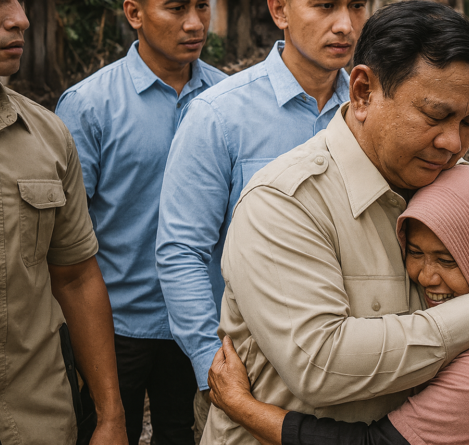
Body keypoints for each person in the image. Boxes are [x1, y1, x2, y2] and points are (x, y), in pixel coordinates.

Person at [202, 3, 469, 444]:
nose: (453, 142)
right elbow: (320, 366)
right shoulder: (285, 203)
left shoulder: (460, 184)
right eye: (435, 117)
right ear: (362, 92)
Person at [207, 165, 469, 445]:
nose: (426, 276)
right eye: (413, 253)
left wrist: (243, 408)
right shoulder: (283, 201)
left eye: (447, 259)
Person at [154, 0, 365, 429]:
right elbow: (182, 251)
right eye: (325, 6)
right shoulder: (219, 116)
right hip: (251, 376)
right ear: (280, 10)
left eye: (358, 5)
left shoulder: (375, 110)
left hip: (359, 368)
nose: (345, 24)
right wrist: (210, 365)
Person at [54, 0, 226, 443]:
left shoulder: (227, 100)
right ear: (134, 13)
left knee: (185, 433)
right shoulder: (89, 105)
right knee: (108, 431)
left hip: (200, 320)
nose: (195, 23)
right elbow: (64, 233)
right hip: (114, 324)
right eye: (175, 9)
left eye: (202, 7)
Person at [0, 1, 128, 444]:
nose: (21, 18)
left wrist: (111, 416)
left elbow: (76, 278)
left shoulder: (49, 135)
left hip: (40, 420)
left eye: (21, 2)